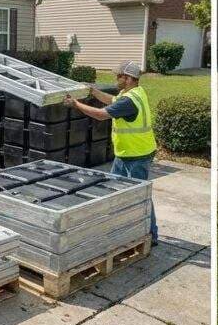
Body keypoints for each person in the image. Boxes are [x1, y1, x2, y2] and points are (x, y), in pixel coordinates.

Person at [64, 61, 159, 241]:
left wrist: (76, 104)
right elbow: (112, 100)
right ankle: (121, 227)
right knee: (113, 189)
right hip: (126, 153)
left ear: (129, 78)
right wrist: (93, 91)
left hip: (137, 155)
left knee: (139, 196)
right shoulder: (133, 93)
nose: (116, 79)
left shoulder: (129, 101)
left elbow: (101, 115)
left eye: (119, 76)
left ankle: (151, 234)